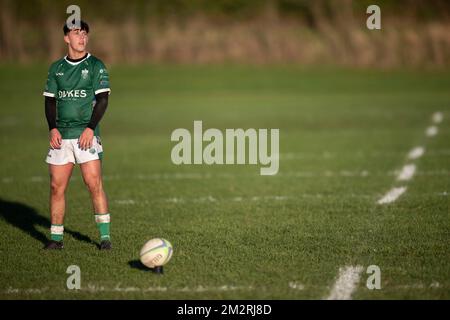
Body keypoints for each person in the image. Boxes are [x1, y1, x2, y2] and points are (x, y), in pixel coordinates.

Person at [43, 20, 111, 250]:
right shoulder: (56, 68)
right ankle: (56, 239)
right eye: (76, 33)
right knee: (56, 187)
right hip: (61, 135)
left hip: (86, 134)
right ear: (66, 38)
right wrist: (52, 127)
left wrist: (90, 128)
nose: (81, 37)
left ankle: (104, 238)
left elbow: (103, 100)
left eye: (84, 33)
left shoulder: (95, 66)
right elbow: (50, 101)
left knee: (94, 184)